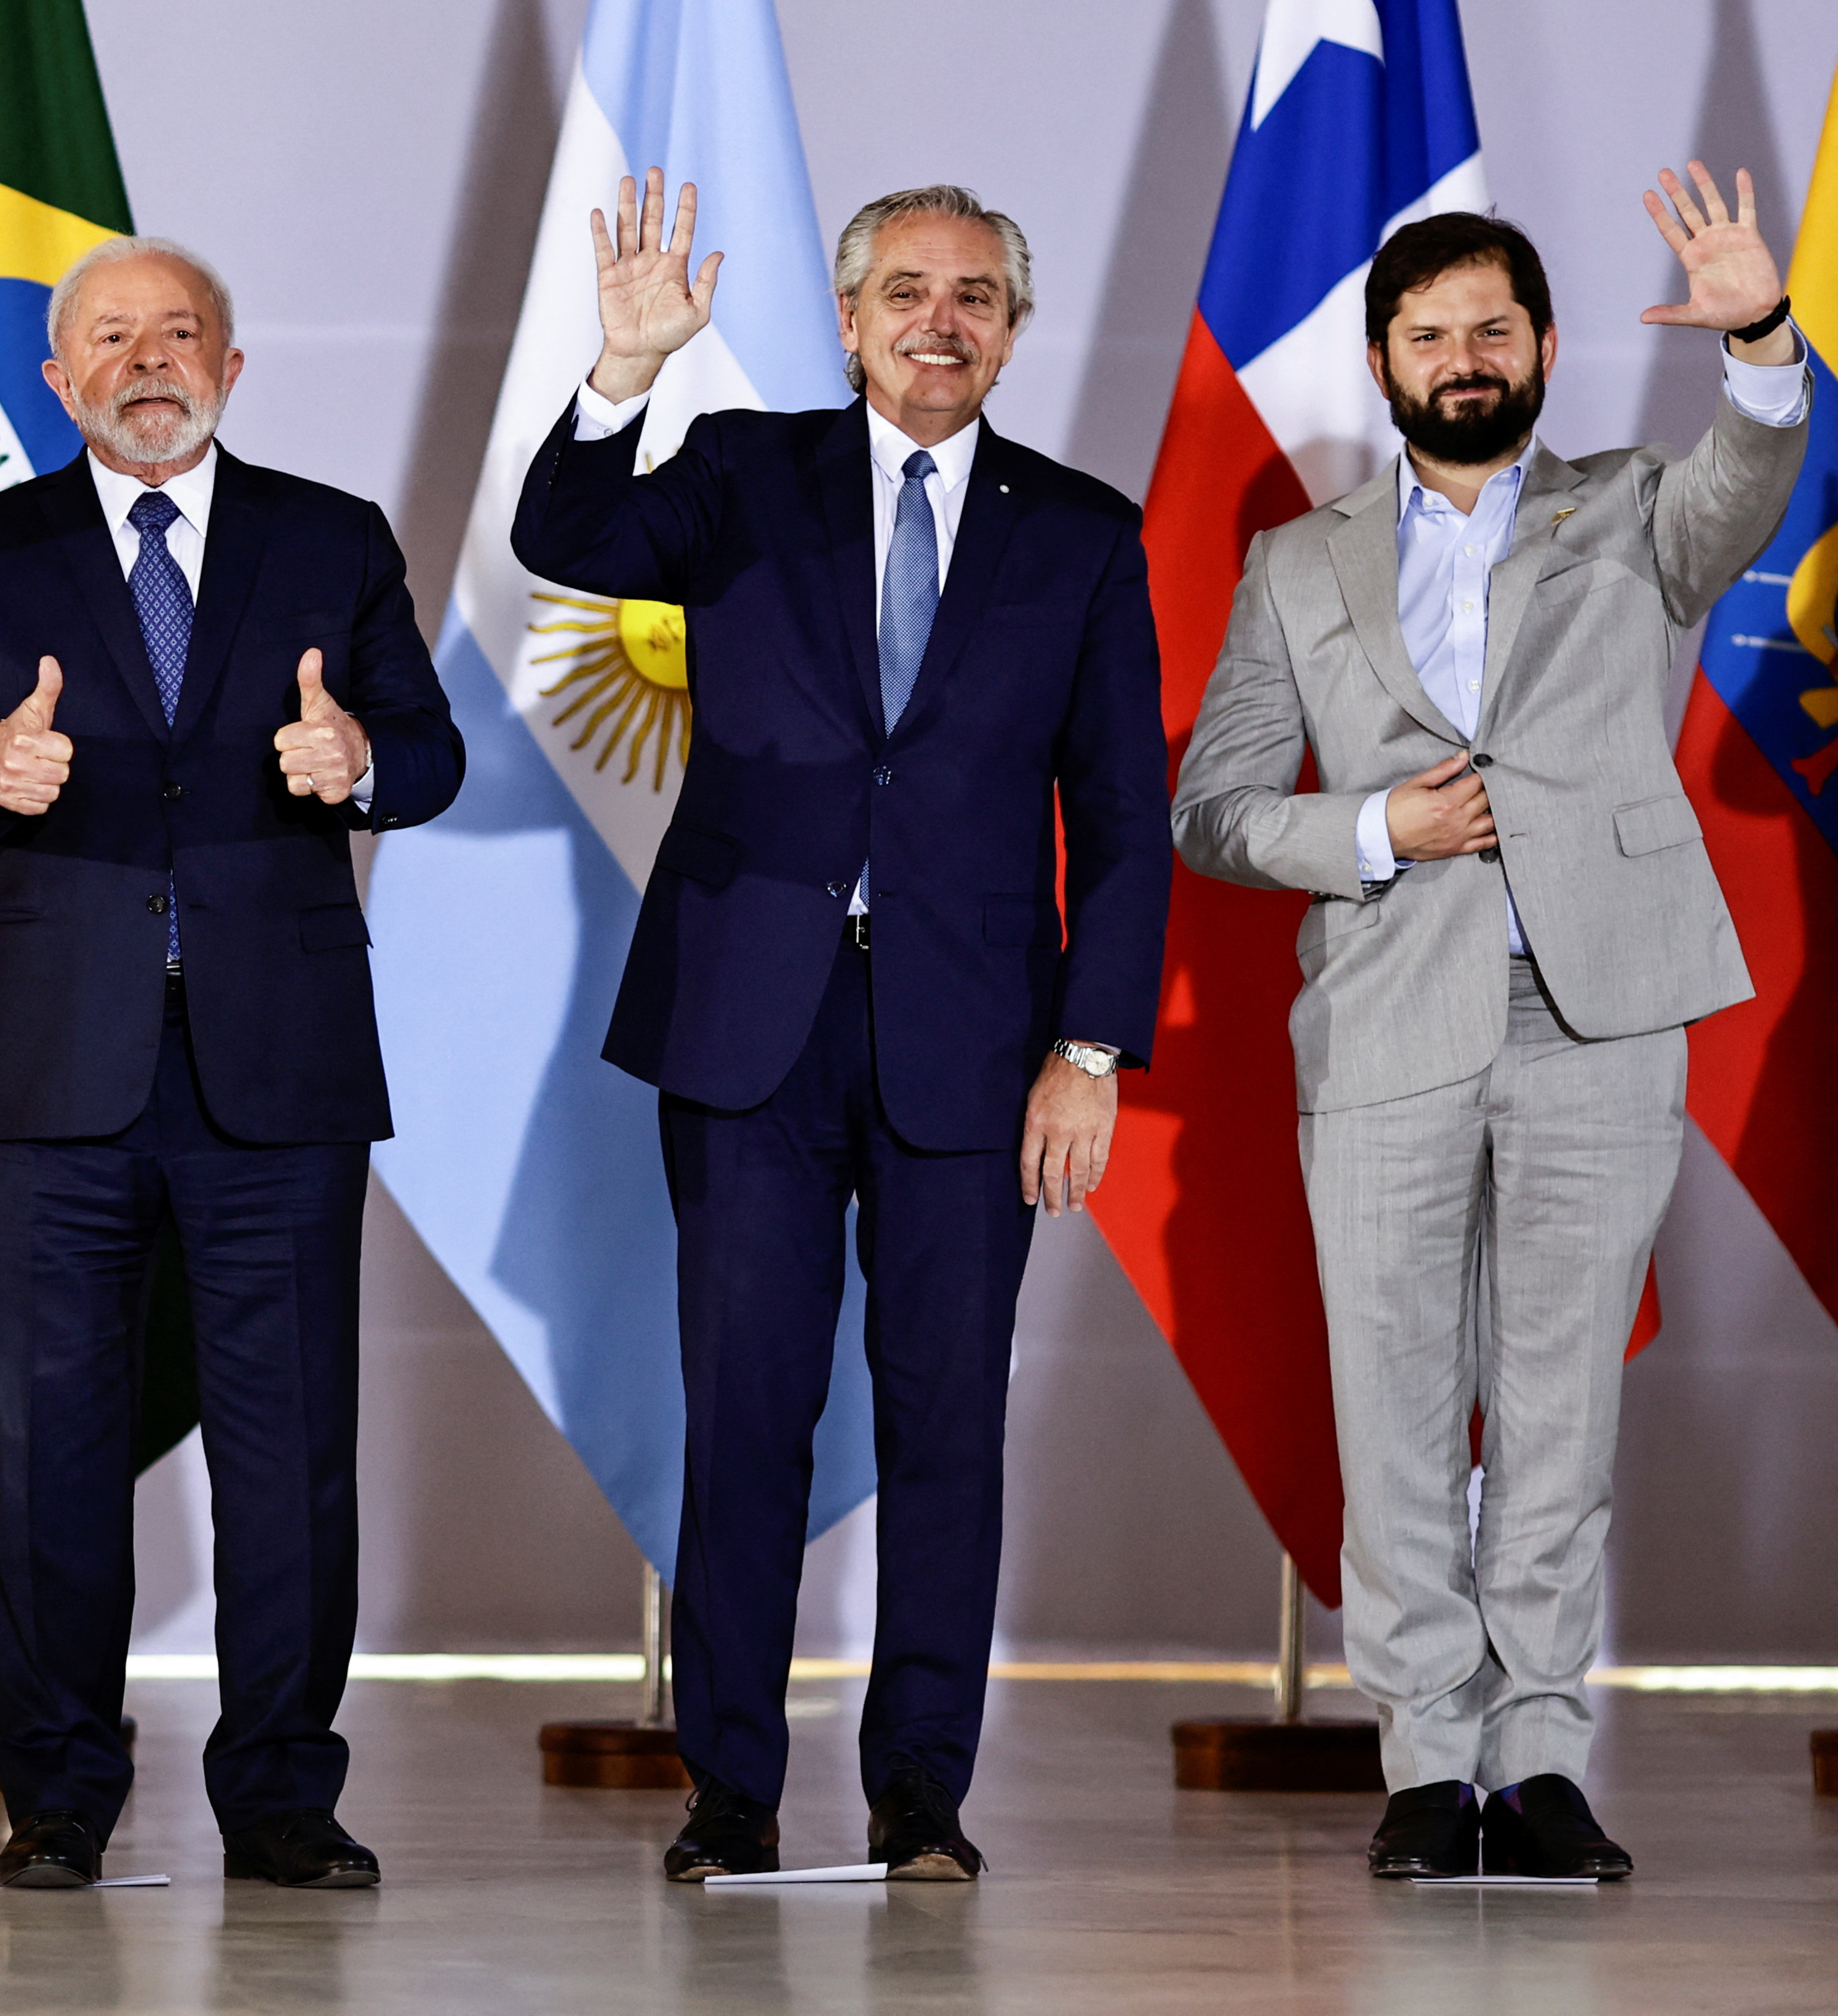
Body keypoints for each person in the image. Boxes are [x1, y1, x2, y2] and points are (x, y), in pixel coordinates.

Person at [514, 177, 1170, 1882]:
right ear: (850, 313)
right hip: (749, 1028)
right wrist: (619, 373)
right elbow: (564, 540)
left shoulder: (1083, 532)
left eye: (970, 296)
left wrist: (1088, 1049)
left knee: (945, 1421)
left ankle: (920, 1793)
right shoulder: (736, 472)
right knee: (742, 1410)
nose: (935, 320)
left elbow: (1117, 813)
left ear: (1011, 330)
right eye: (903, 291)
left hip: (976, 1043)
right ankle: (727, 1785)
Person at [1172, 172, 1808, 1882]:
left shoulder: (1631, 511)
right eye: (1429, 333)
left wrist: (1756, 331)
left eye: (1492, 328)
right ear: (1380, 362)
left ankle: (1535, 1761)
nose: (1462, 356)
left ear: (1539, 347)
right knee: (1386, 1404)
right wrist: (1379, 832)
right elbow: (1214, 808)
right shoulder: (1294, 561)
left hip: (1598, 1016)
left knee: (1552, 1409)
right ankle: (1420, 1758)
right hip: (1382, 1020)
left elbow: (1752, 470)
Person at [0, 236, 461, 1891]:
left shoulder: (327, 540)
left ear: (231, 367)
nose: (147, 357)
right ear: (59, 382)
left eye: (178, 333)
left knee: (286, 1449)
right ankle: (59, 1788)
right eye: (109, 337)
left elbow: (432, 747)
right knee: (44, 1447)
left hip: (278, 1064)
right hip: (56, 1063)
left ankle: (278, 1794)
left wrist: (358, 758)